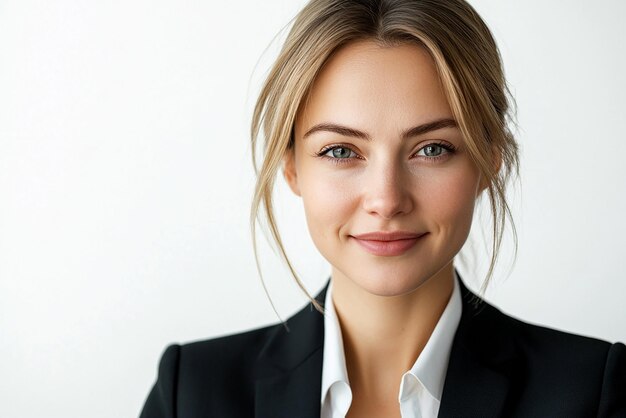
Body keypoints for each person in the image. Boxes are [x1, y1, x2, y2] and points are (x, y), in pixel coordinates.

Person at [139, 0, 626, 417]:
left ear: (488, 160)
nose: (387, 199)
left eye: (432, 149)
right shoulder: (192, 394)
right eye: (340, 151)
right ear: (291, 167)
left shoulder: (593, 394)